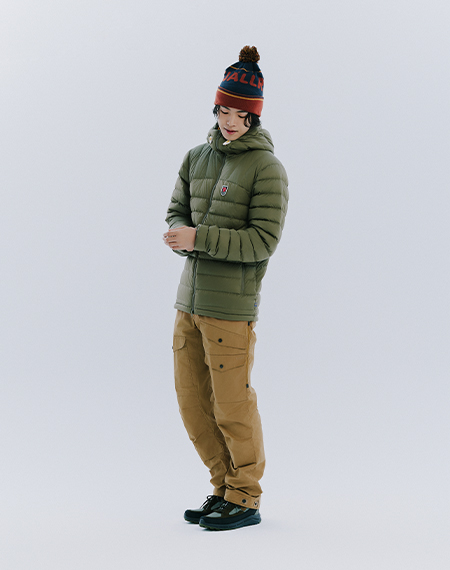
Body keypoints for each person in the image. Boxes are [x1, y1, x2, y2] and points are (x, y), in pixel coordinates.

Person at [163, 46, 288, 531]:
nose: (230, 122)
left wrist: (198, 239)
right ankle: (222, 488)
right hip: (188, 302)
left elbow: (262, 241)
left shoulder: (267, 169)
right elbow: (177, 210)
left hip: (229, 309)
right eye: (224, 111)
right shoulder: (195, 157)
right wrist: (178, 233)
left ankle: (245, 496)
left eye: (241, 114)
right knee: (193, 403)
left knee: (232, 406)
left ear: (254, 118)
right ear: (214, 109)